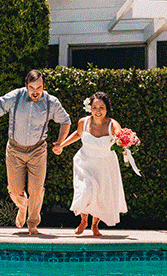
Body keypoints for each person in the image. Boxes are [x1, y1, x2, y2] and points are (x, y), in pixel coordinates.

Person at [0, 70, 71, 236]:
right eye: (32, 87)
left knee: (37, 189)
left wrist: (59, 142)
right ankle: (22, 206)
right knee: (14, 190)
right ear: (26, 86)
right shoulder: (14, 97)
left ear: (44, 86)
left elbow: (66, 121)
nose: (35, 91)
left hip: (38, 150)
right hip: (14, 149)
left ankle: (33, 224)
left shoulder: (51, 102)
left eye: (39, 87)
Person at [53, 91, 128, 237]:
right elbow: (77, 134)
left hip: (104, 165)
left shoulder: (112, 124)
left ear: (107, 109)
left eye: (101, 107)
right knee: (85, 190)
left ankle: (95, 225)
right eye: (95, 107)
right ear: (90, 108)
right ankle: (83, 220)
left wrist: (125, 147)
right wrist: (61, 145)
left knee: (100, 195)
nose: (98, 111)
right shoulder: (84, 122)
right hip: (85, 162)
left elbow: (120, 136)